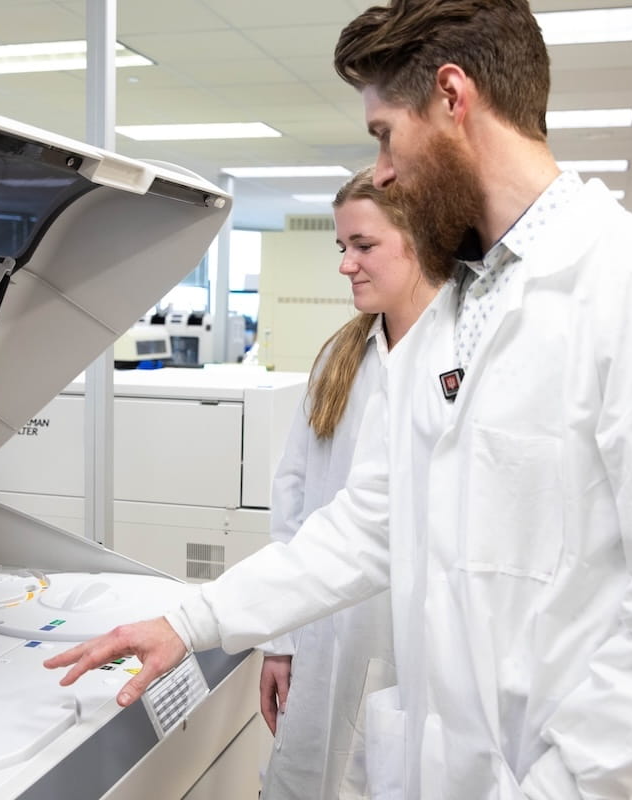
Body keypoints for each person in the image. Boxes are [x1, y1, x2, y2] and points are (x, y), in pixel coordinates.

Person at [47, 1, 632, 797]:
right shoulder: (450, 316)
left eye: (383, 133)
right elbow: (370, 522)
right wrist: (194, 621)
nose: (380, 170)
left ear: (452, 97)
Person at [259, 166, 440, 800]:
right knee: (311, 775)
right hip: (326, 627)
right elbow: (295, 498)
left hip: (418, 634)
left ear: (419, 238)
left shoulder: (461, 358)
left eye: (363, 245)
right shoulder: (342, 358)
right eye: (343, 248)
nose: (347, 265)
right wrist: (279, 643)